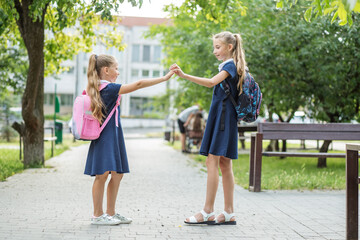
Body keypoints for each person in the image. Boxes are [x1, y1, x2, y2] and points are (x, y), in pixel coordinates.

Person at [84, 54, 174, 225]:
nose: (118, 72)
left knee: (117, 174)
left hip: (114, 134)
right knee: (102, 175)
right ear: (106, 70)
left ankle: (110, 213)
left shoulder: (102, 87)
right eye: (116, 68)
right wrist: (164, 78)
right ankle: (98, 215)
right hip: (106, 136)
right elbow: (138, 84)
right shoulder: (107, 88)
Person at [170, 31, 246, 225]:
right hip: (225, 117)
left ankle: (207, 211)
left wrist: (184, 75)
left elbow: (211, 82)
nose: (215, 51)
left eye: (218, 47)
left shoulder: (230, 65)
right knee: (225, 164)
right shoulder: (233, 65)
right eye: (214, 47)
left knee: (212, 161)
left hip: (222, 117)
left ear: (230, 47)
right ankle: (229, 212)